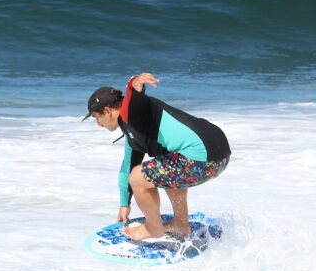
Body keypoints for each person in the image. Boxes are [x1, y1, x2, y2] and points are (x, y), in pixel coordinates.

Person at [84, 73, 230, 241]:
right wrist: (125, 204)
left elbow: (135, 99)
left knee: (139, 178)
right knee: (165, 165)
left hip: (201, 159)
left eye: (97, 118)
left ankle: (154, 227)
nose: (98, 124)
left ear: (108, 111)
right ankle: (180, 223)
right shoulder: (133, 132)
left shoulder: (131, 112)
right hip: (220, 157)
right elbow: (128, 167)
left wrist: (134, 83)